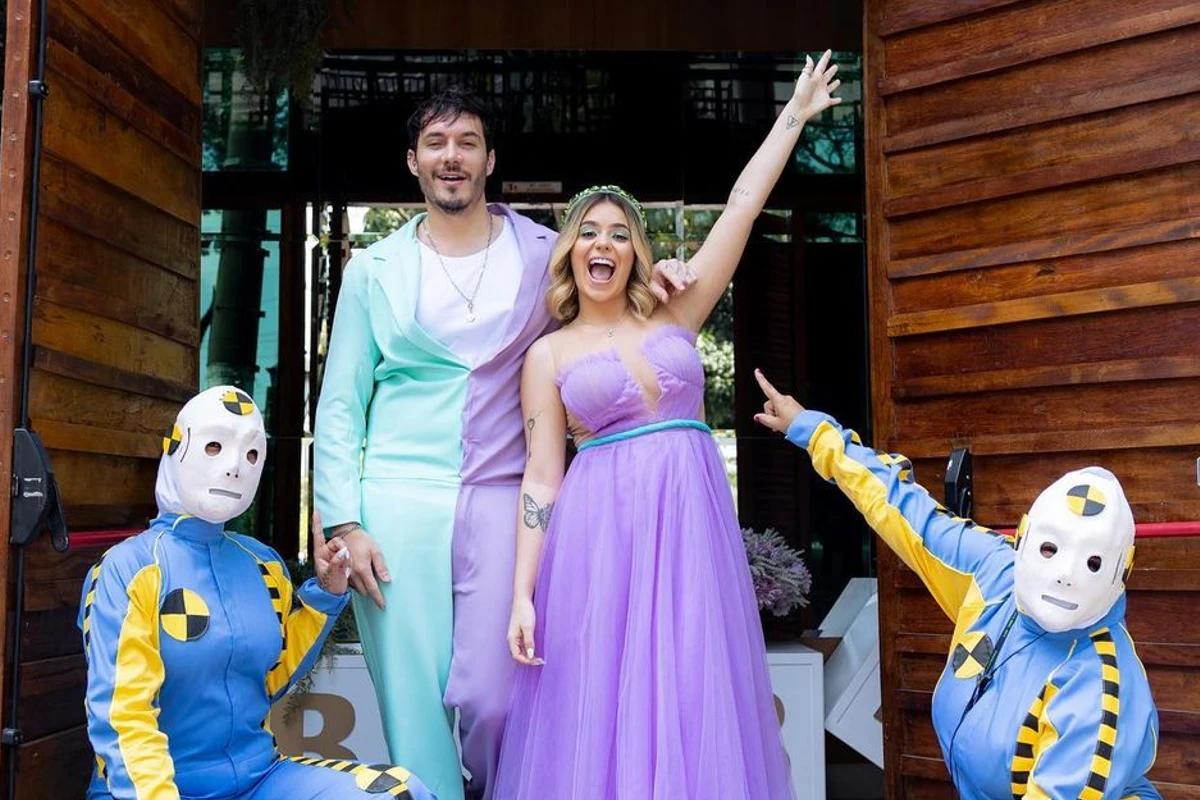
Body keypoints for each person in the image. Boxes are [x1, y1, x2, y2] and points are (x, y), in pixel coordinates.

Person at [313, 88, 693, 800]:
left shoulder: (545, 253)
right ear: (413, 161)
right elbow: (340, 404)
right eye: (435, 144)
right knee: (412, 706)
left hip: (503, 497)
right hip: (396, 503)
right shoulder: (373, 270)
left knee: (498, 697)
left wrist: (663, 278)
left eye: (466, 142)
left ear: (490, 160)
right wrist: (343, 521)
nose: (451, 157)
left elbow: (610, 301)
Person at [493, 51, 843, 799]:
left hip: (688, 532)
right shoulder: (548, 355)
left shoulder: (677, 313)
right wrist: (523, 593)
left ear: (636, 253)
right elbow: (541, 480)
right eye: (590, 232)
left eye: (620, 234)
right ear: (570, 250)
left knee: (691, 691)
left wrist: (792, 115)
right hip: (601, 542)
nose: (604, 244)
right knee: (605, 706)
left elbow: (741, 207)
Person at [753, 371, 1161, 799]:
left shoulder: (1097, 687)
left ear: (1122, 571)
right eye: (1050, 549)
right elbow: (901, 507)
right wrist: (813, 430)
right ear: (1023, 539)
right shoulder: (995, 571)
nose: (1066, 573)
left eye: (1093, 562)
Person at [80, 386, 435, 800]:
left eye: (251, 454)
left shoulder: (261, 563)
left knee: (401, 792)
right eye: (214, 446)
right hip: (153, 789)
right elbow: (122, 717)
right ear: (176, 450)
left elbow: (272, 675)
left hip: (257, 779)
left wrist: (325, 594)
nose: (234, 467)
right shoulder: (128, 570)